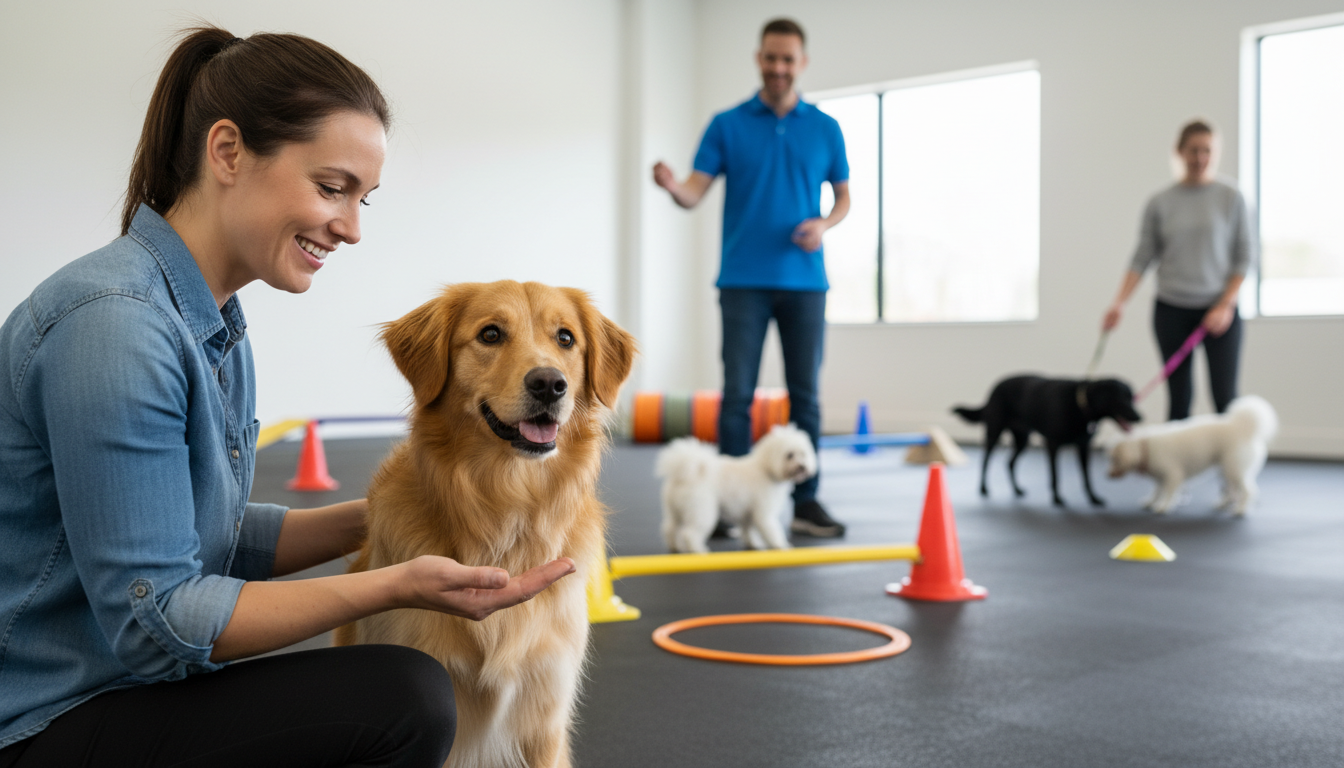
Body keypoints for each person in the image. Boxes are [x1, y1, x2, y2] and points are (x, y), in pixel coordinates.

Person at [0, 28, 575, 768]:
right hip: (45, 725)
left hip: (125, 694)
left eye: (364, 199)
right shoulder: (115, 326)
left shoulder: (206, 320)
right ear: (228, 152)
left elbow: (208, 532)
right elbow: (160, 617)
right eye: (332, 188)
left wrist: (408, 516)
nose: (353, 228)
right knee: (404, 694)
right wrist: (393, 581)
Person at [652, 17, 850, 537]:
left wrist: (825, 223)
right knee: (737, 393)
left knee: (804, 396)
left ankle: (805, 501)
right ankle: (724, 501)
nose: (779, 67)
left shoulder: (825, 128)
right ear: (758, 58)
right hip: (742, 280)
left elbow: (844, 196)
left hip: (806, 282)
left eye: (788, 59)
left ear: (801, 63)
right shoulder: (727, 124)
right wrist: (674, 187)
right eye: (770, 57)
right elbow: (694, 191)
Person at [1102, 119, 1253, 421]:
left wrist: (1225, 304)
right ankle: (1176, 469)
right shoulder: (1160, 203)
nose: (1200, 158)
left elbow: (1244, 256)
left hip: (1219, 310)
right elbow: (1142, 257)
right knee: (1179, 398)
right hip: (1171, 309)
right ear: (1179, 152)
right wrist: (1119, 303)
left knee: (1225, 398)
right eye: (1194, 150)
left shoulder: (1230, 197)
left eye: (1207, 151)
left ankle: (1231, 467)